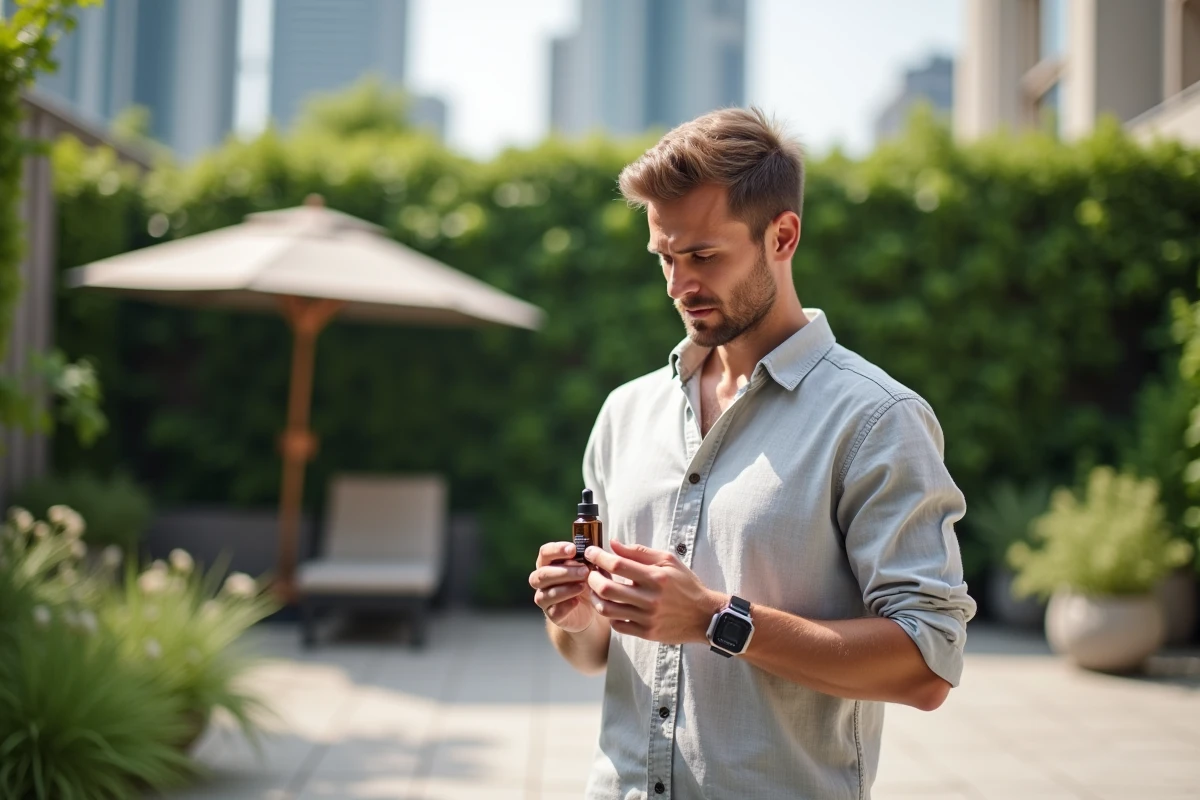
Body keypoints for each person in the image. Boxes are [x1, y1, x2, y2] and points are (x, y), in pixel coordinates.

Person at [528, 107, 976, 800]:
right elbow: (592, 656)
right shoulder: (626, 412)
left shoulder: (877, 420)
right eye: (664, 258)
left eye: (704, 255)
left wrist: (713, 618)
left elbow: (926, 666)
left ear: (783, 235)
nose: (679, 286)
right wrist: (578, 614)